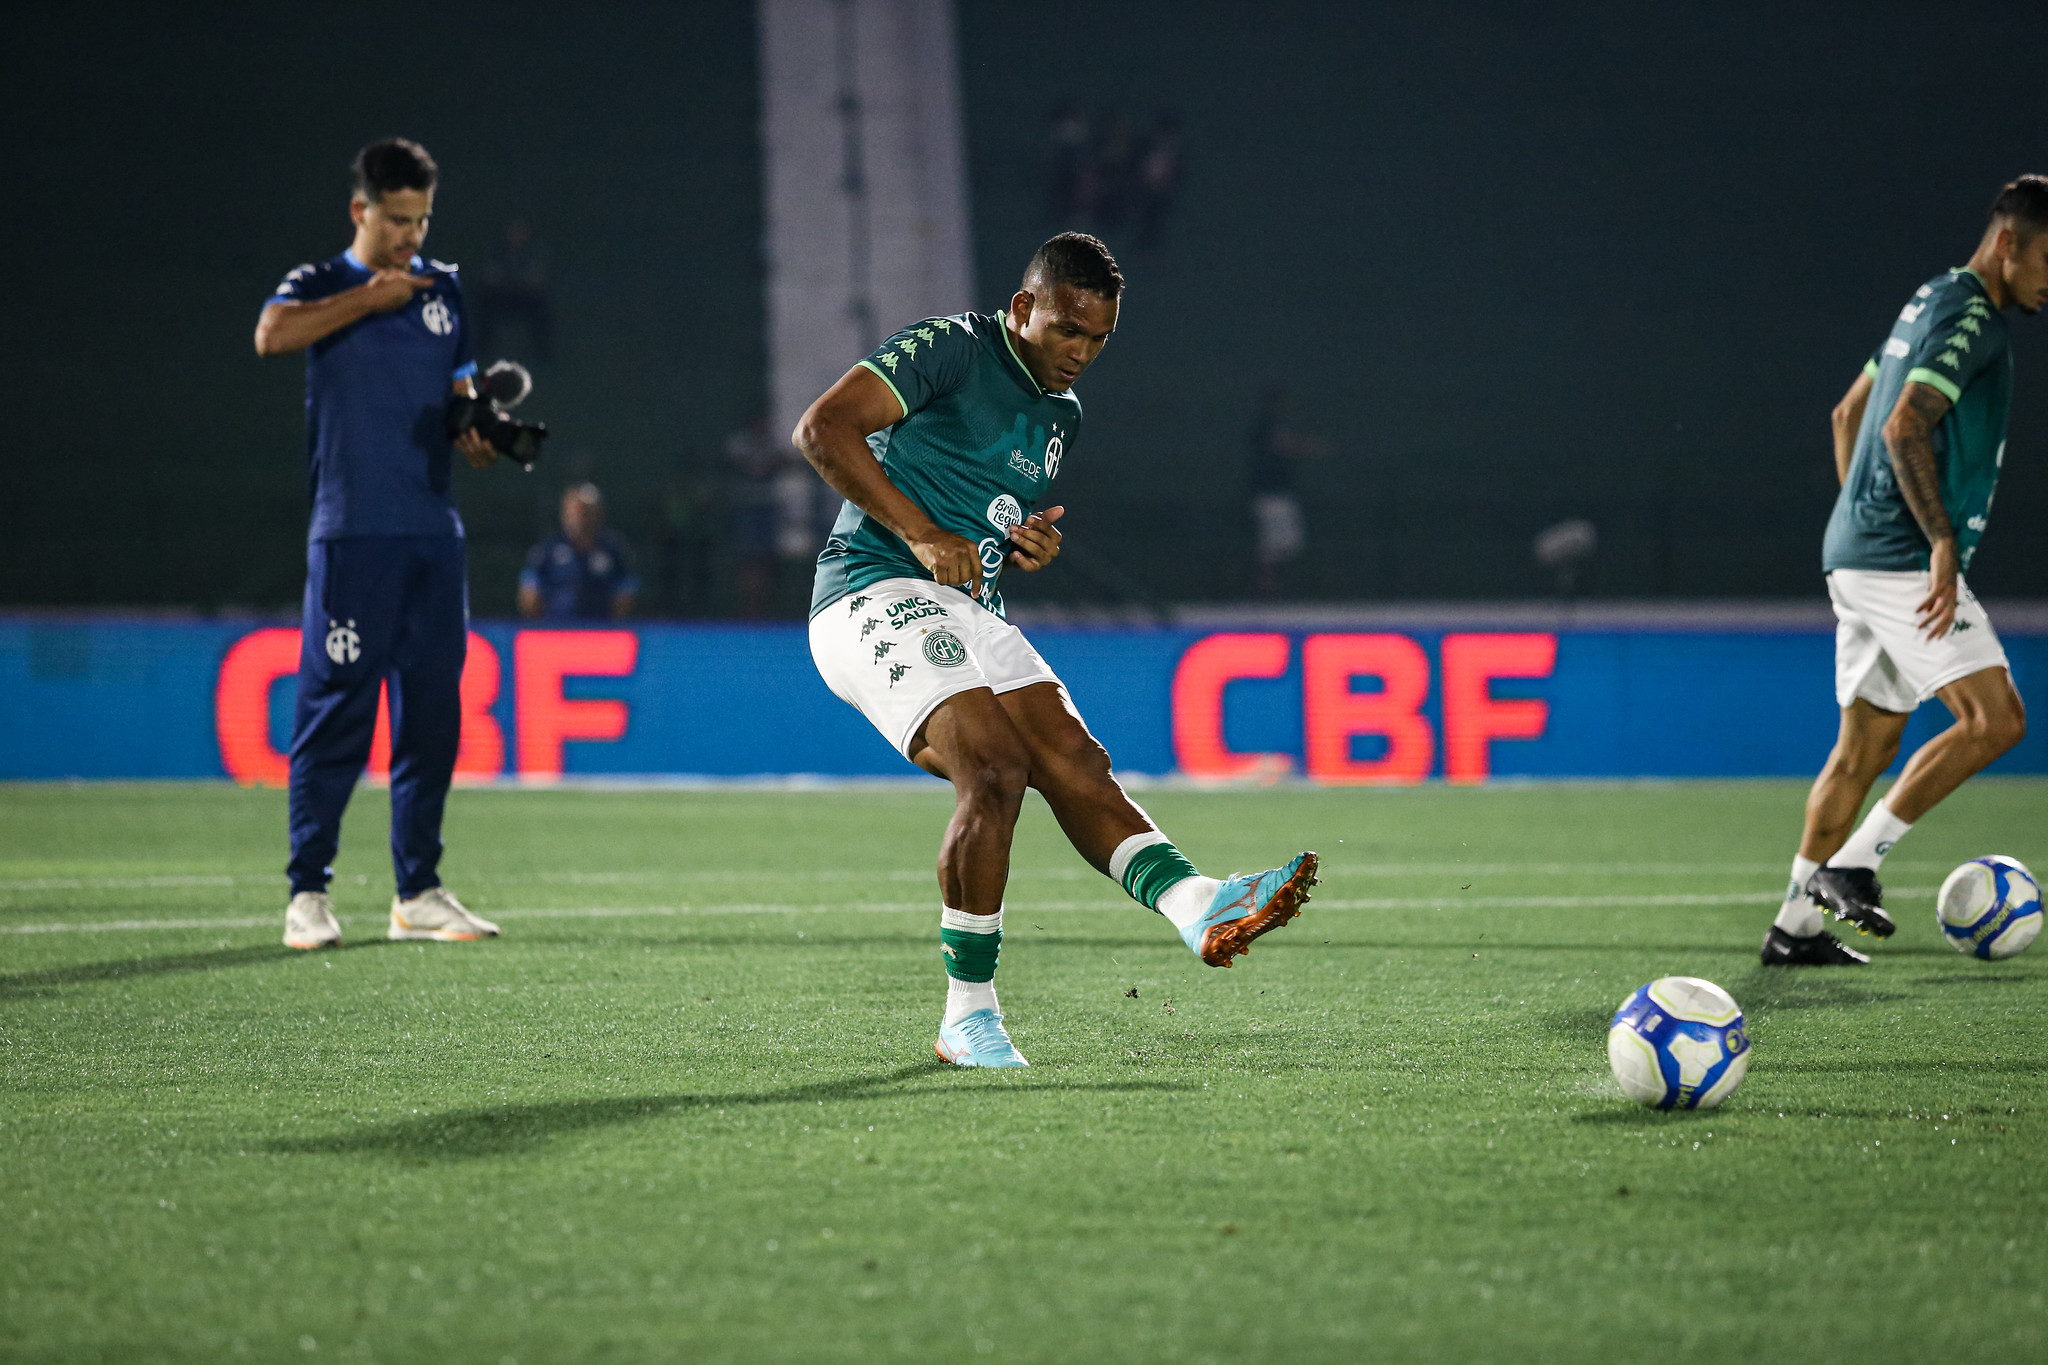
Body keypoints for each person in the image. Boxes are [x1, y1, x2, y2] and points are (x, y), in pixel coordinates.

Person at [795, 232, 1318, 1067]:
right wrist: (924, 533)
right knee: (995, 768)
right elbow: (823, 430)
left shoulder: (1061, 417)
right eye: (1066, 330)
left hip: (970, 606)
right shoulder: (951, 349)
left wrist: (1021, 540)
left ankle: (1198, 901)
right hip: (871, 590)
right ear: (1022, 308)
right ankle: (968, 1016)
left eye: (1098, 338)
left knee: (1077, 759)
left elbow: (985, 516)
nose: (1079, 352)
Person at [1762, 175, 2044, 966]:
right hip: (1897, 558)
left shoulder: (1926, 300)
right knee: (1997, 718)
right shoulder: (1971, 315)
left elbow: (1846, 412)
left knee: (1861, 753)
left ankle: (1794, 928)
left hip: (1856, 551)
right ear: (2010, 242)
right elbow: (1900, 422)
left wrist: (1861, 513)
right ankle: (1854, 864)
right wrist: (1937, 542)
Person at [254, 137, 503, 950]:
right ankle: (308, 891)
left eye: (422, 218)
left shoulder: (446, 290)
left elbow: (458, 389)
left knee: (431, 715)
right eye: (398, 219)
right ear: (361, 210)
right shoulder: (321, 285)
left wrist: (476, 426)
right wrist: (370, 299)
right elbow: (271, 335)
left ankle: (417, 892)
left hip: (433, 531)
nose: (412, 235)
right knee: (337, 712)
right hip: (352, 533)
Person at [519, 483, 639, 620]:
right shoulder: (548, 548)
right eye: (578, 511)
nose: (582, 518)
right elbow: (530, 592)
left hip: (601, 629)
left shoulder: (614, 549)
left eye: (588, 512)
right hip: (557, 629)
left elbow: (626, 589)